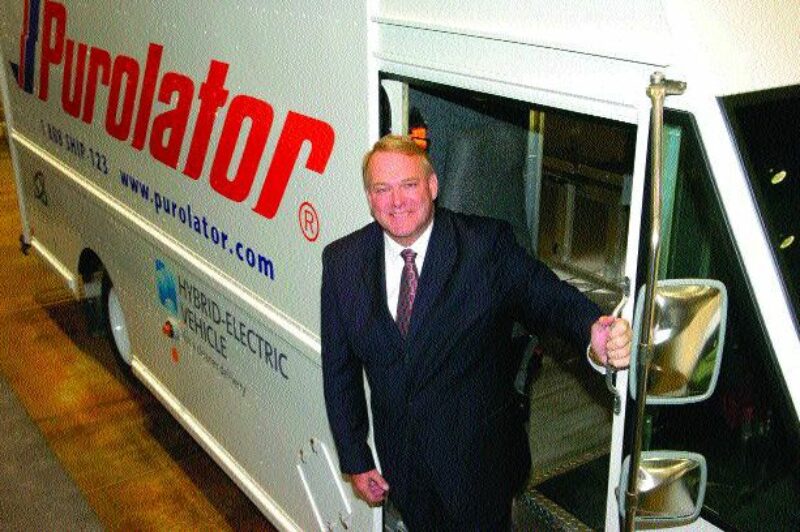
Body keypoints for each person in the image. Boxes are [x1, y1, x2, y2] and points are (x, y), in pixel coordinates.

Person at [321, 135, 632, 530]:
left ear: (432, 187)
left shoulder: (484, 246)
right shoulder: (342, 262)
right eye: (382, 189)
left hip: (478, 468)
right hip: (404, 467)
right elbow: (339, 371)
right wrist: (355, 459)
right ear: (369, 197)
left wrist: (593, 332)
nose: (396, 201)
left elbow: (547, 296)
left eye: (409, 185)